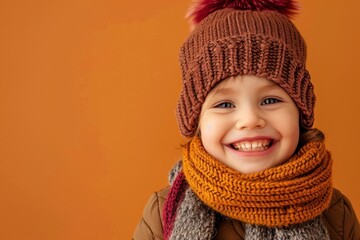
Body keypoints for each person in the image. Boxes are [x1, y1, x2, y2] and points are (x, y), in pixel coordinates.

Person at [133, 0, 360, 239]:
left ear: (300, 111)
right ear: (196, 121)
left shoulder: (335, 212)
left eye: (270, 100)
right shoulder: (163, 212)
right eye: (224, 104)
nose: (250, 120)